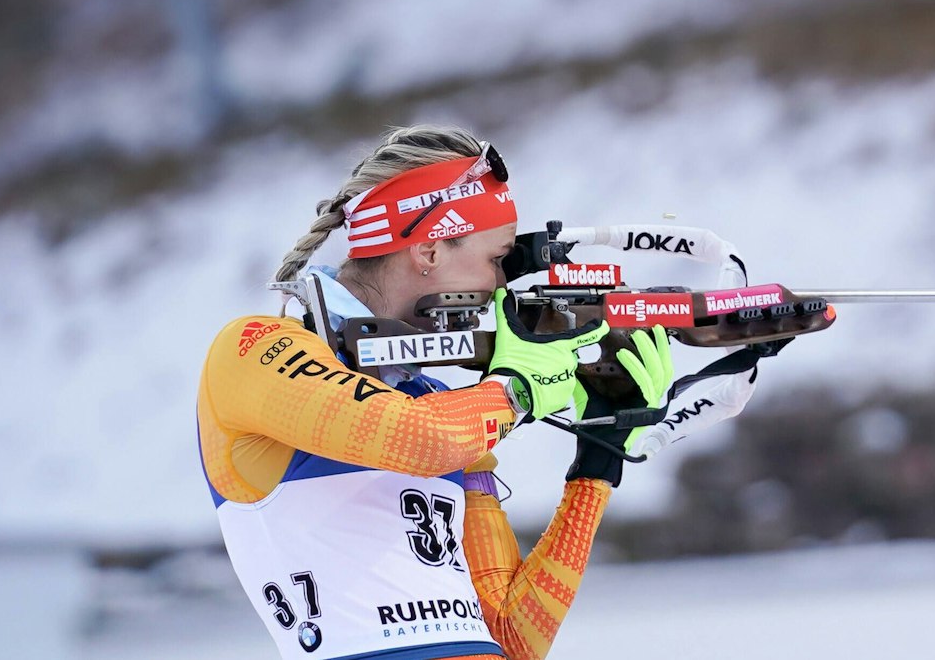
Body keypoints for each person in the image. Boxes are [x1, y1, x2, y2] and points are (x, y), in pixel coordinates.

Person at [196, 125, 674, 660]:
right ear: (428, 250)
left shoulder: (439, 400)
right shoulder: (254, 348)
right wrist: (515, 389)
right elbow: (420, 440)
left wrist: (596, 465)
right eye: (496, 259)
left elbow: (512, 636)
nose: (499, 286)